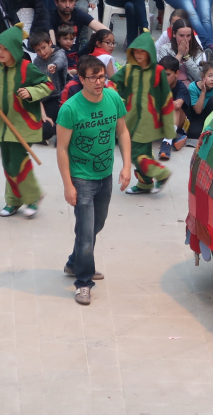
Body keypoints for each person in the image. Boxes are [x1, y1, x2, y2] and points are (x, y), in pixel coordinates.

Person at [56, 54, 131, 306]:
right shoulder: (70, 109)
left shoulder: (112, 98)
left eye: (102, 76)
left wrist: (126, 166)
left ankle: (73, 263)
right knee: (86, 235)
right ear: (82, 79)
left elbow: (122, 131)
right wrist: (68, 184)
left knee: (96, 226)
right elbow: (62, 149)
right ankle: (84, 281)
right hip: (81, 178)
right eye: (93, 78)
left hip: (104, 176)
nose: (99, 82)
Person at [0, 24, 52, 216]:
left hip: (22, 123)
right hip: (2, 123)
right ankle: (14, 200)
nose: (1, 52)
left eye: (5, 48)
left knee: (18, 160)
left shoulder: (27, 68)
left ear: (15, 48)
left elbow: (47, 85)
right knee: (8, 162)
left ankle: (34, 195)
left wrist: (30, 92)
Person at [110, 31, 174, 193]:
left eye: (142, 51)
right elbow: (112, 84)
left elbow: (166, 99)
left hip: (148, 122)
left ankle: (161, 173)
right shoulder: (129, 69)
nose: (138, 55)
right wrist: (117, 100)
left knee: (134, 154)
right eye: (136, 51)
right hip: (130, 118)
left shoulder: (158, 72)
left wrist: (167, 127)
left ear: (149, 52)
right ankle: (145, 184)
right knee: (143, 152)